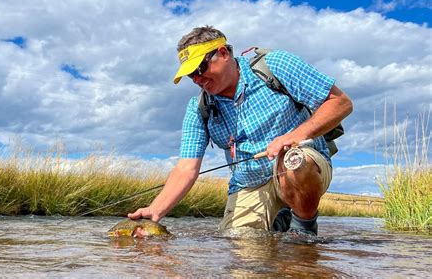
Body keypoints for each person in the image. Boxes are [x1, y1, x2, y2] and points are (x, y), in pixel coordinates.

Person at [129, 26, 353, 236]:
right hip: (249, 184)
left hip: (303, 165)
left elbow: (340, 103)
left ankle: (304, 226)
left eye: (200, 69)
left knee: (295, 162)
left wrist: (294, 136)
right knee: (241, 254)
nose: (198, 79)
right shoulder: (198, 109)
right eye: (191, 75)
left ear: (223, 53)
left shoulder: (275, 64)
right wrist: (155, 211)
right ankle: (279, 217)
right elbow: (186, 168)